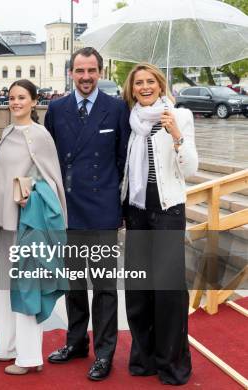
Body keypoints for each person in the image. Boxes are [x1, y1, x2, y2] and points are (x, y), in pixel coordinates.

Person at [44, 47, 131, 381]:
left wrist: (120, 209)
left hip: (103, 211)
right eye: (80, 71)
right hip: (68, 209)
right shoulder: (56, 108)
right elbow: (48, 159)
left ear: (101, 71)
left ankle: (105, 352)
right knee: (74, 284)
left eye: (91, 71)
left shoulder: (117, 108)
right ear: (71, 72)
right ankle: (76, 342)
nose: (85, 77)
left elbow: (124, 161)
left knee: (105, 287)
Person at [0, 79, 67, 375]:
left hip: (27, 223)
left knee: (27, 287)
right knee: (6, 286)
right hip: (5, 224)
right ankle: (7, 346)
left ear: (34, 101)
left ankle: (29, 358)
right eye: (12, 97)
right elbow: (3, 172)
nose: (15, 102)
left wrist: (30, 188)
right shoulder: (9, 131)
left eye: (22, 97)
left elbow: (52, 180)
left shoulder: (39, 136)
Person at [120, 63, 197, 385]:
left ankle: (171, 362)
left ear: (160, 84)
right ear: (132, 88)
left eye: (151, 81)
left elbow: (190, 169)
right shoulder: (132, 120)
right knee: (139, 290)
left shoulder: (179, 116)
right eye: (139, 82)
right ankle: (144, 357)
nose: (145, 86)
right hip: (136, 210)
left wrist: (176, 137)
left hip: (167, 212)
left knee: (168, 292)